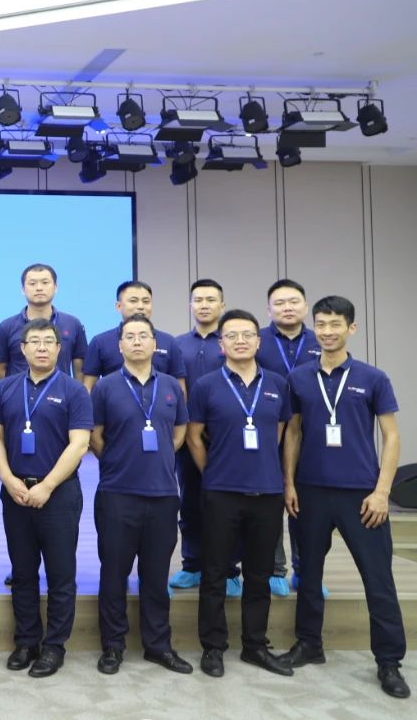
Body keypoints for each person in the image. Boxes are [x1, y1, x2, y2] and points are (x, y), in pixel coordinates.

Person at [279, 295, 408, 699]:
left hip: (362, 496)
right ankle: (309, 644)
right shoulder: (299, 377)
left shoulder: (373, 377)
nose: (327, 331)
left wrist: (383, 492)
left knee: (378, 579)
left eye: (335, 324)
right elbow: (293, 432)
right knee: (309, 575)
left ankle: (389, 661)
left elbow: (391, 436)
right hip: (311, 492)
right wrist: (289, 483)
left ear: (351, 328)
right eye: (321, 324)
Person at [186, 309, 293, 679]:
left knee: (259, 574)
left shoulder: (277, 383)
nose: (240, 341)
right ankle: (213, 647)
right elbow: (193, 437)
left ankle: (255, 645)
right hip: (221, 492)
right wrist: (213, 472)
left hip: (267, 491)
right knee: (215, 571)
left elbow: (280, 431)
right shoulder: (206, 385)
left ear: (258, 341)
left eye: (247, 334)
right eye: (231, 335)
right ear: (222, 344)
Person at [0, 317, 92, 678]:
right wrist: (7, 479)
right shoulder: (6, 388)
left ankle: (54, 646)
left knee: (61, 573)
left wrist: (47, 485)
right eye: (35, 342)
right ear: (23, 349)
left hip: (59, 493)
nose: (42, 348)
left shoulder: (74, 390)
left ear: (59, 349)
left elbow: (79, 443)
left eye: (49, 342)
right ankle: (27, 641)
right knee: (23, 571)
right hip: (15, 491)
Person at [89, 315, 193, 676]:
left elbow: (179, 431)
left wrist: (160, 456)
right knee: (113, 575)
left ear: (154, 344)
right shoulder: (105, 387)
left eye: (143, 336)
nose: (136, 342)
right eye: (129, 336)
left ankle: (158, 645)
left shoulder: (170, 385)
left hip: (163, 494)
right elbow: (95, 435)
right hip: (117, 493)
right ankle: (112, 646)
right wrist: (116, 461)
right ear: (120, 345)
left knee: (156, 575)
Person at [170, 279, 237, 595]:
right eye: (198, 300)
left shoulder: (233, 341)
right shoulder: (177, 345)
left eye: (211, 299)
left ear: (222, 305)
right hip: (188, 436)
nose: (204, 305)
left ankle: (230, 569)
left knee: (228, 504)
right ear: (190, 305)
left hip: (226, 437)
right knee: (190, 501)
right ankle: (192, 565)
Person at [257, 279, 321, 596]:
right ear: (269, 309)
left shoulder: (320, 339)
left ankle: (305, 571)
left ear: (305, 306)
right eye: (279, 303)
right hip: (268, 429)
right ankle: (274, 569)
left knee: (305, 504)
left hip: (311, 432)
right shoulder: (257, 340)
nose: (287, 308)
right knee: (270, 503)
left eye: (293, 301)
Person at [81, 281, 186, 391]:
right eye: (133, 301)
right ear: (118, 306)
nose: (140, 306)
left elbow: (180, 389)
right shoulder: (100, 342)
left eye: (146, 301)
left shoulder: (168, 341)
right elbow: (88, 387)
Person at [0, 263, 87, 380]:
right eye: (32, 283)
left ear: (55, 287)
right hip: (21, 391)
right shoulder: (7, 327)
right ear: (23, 289)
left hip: (62, 391)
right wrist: (18, 386)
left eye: (45, 282)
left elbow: (80, 372)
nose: (39, 288)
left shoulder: (72, 324)